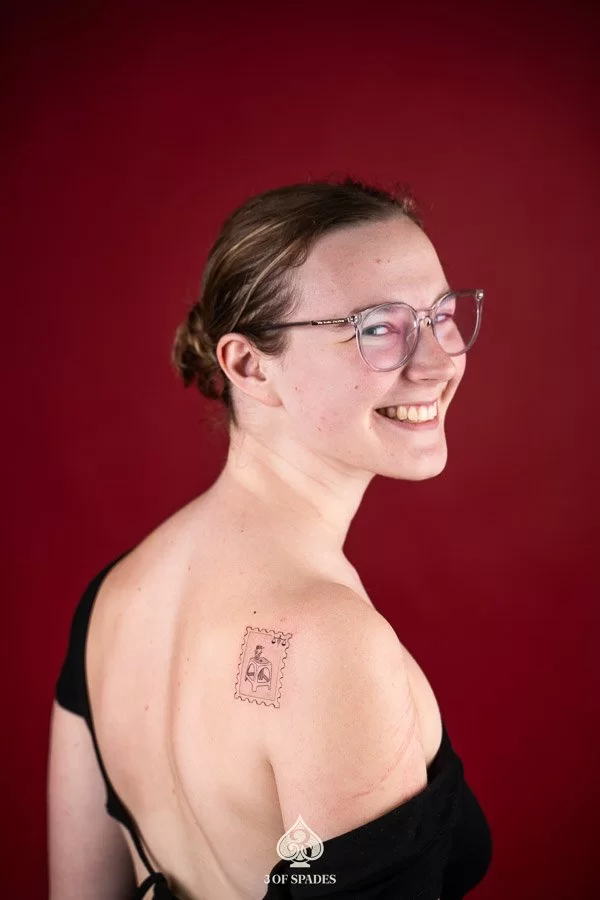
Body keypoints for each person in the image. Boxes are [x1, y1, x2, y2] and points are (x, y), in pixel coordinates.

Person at [47, 177, 493, 900]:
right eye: (378, 328)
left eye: (441, 315)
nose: (440, 363)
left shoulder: (110, 600)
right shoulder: (333, 644)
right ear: (249, 366)